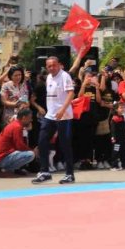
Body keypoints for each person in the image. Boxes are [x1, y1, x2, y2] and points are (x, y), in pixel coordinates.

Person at [32, 56, 76, 184]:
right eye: (49, 66)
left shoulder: (64, 76)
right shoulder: (49, 77)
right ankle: (45, 171)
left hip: (64, 116)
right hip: (50, 116)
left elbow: (71, 93)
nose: (52, 68)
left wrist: (62, 110)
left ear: (59, 65)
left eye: (54, 65)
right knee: (42, 141)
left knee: (65, 144)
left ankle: (69, 174)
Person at [0, 107, 36, 174]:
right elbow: (19, 146)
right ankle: (9, 170)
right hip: (1, 159)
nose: (31, 120)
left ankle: (12, 169)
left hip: (0, 158)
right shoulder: (17, 127)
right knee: (31, 155)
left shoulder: (15, 124)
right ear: (24, 118)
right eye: (30, 118)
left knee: (27, 153)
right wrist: (33, 151)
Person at [109, 102, 125, 171]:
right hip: (117, 140)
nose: (123, 109)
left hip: (123, 139)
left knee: (123, 152)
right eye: (121, 108)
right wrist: (113, 137)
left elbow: (123, 128)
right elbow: (113, 130)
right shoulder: (114, 118)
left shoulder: (122, 117)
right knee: (116, 152)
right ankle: (114, 166)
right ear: (116, 109)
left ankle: (124, 165)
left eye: (123, 107)